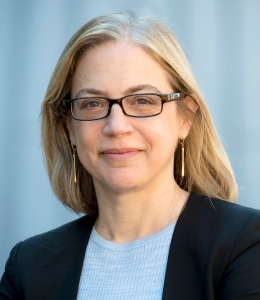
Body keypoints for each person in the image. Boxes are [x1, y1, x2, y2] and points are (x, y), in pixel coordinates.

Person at [0, 10, 260, 300]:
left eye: (142, 100)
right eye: (93, 103)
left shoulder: (247, 245)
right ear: (69, 128)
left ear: (185, 117)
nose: (116, 127)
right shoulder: (26, 267)